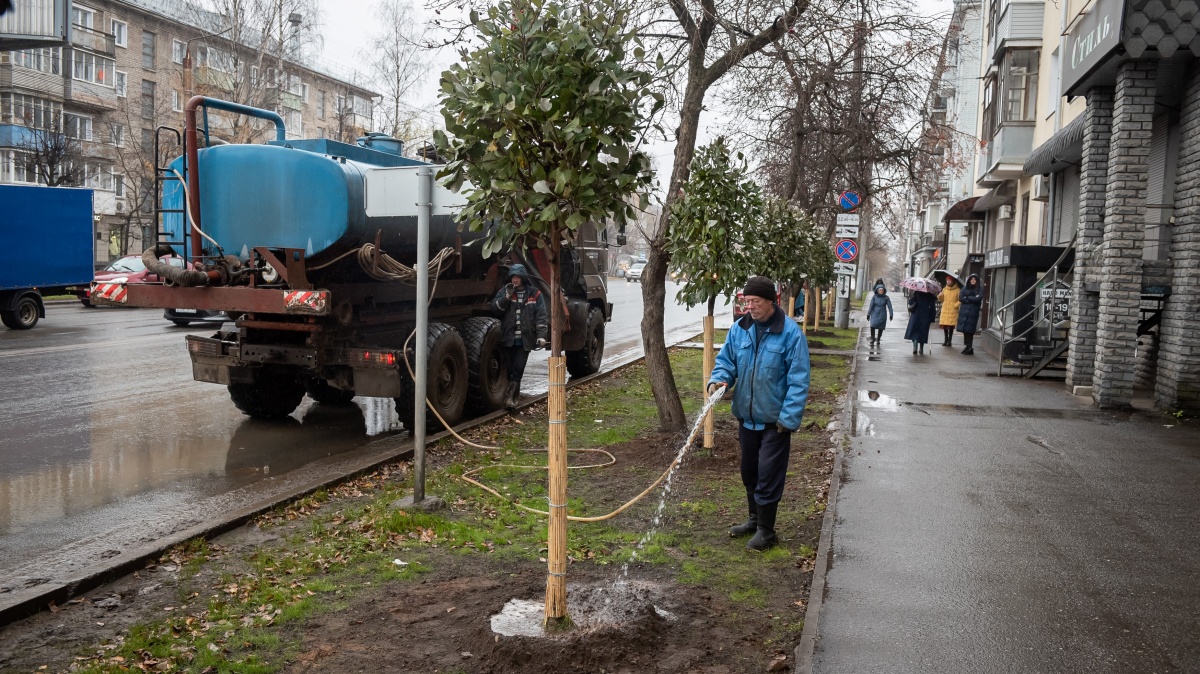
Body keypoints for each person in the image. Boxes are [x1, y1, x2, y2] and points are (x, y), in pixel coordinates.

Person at [707, 276, 810, 551]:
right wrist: (718, 381)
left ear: (771, 301)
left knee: (768, 474)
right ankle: (754, 520)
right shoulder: (739, 329)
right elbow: (726, 362)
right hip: (747, 417)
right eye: (746, 301)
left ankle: (767, 530)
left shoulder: (790, 334)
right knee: (749, 472)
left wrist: (787, 420)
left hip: (775, 422)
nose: (749, 307)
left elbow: (799, 380)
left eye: (755, 302)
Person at [490, 263, 548, 408]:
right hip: (509, 338)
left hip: (525, 340)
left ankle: (511, 398)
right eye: (513, 277)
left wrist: (541, 336)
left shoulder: (535, 294)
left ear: (523, 278)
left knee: (519, 367)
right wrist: (506, 297)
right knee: (509, 369)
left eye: (517, 277)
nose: (515, 280)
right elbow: (495, 309)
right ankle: (513, 396)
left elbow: (541, 316)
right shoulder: (506, 291)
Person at [903, 288, 938, 355]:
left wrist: (913, 295)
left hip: (916, 315)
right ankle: (921, 348)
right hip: (925, 316)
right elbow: (933, 308)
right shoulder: (930, 296)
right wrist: (932, 318)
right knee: (923, 332)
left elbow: (910, 302)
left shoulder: (917, 293)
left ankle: (915, 347)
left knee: (914, 331)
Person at [957, 274, 984, 355]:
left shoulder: (979, 289)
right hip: (964, 313)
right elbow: (961, 298)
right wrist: (971, 298)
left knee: (970, 330)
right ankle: (967, 346)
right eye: (971, 279)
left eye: (974, 279)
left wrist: (968, 298)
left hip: (973, 312)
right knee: (965, 330)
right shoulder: (964, 288)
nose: (973, 281)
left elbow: (978, 299)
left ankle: (969, 346)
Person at [936, 276, 961, 347]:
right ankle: (945, 340)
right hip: (945, 310)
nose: (948, 282)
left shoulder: (957, 290)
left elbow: (960, 299)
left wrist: (956, 305)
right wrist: (940, 296)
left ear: (952, 281)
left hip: (953, 310)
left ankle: (949, 341)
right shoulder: (944, 289)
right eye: (947, 280)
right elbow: (941, 300)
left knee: (950, 327)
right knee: (945, 326)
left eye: (950, 280)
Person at [867, 281, 894, 345]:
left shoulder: (886, 298)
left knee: (881, 327)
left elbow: (890, 306)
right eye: (880, 290)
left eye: (882, 290)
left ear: (884, 291)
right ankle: (872, 339)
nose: (881, 291)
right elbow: (871, 306)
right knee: (872, 326)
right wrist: (868, 314)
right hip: (875, 313)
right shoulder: (874, 297)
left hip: (882, 314)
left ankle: (878, 339)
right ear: (877, 290)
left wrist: (891, 314)